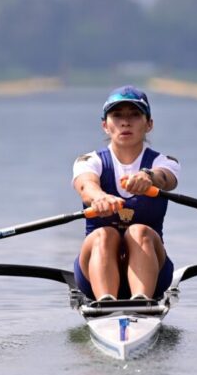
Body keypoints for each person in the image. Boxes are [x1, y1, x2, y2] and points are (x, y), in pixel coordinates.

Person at [72, 85, 180, 302]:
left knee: (139, 231)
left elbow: (165, 179)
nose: (125, 122)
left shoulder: (165, 162)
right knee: (105, 234)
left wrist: (148, 177)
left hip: (154, 273)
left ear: (149, 124)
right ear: (105, 125)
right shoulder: (88, 161)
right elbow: (86, 186)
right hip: (92, 273)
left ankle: (142, 300)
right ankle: (105, 301)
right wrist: (99, 197)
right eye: (117, 115)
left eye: (135, 115)